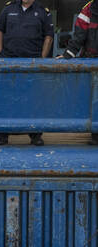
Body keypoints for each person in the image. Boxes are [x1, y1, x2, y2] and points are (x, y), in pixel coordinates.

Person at [0, 0, 54, 146]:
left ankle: (35, 135)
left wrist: (42, 59)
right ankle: (2, 135)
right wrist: (0, 52)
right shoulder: (8, 9)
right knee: (5, 98)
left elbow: (49, 36)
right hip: (9, 62)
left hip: (32, 63)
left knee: (33, 99)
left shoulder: (42, 11)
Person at [61, 0, 98, 145]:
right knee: (93, 100)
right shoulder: (88, 9)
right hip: (91, 61)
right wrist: (67, 55)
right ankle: (96, 134)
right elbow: (79, 35)